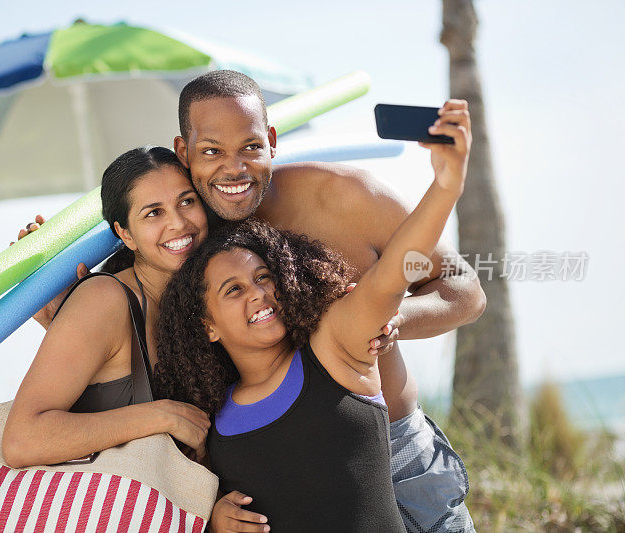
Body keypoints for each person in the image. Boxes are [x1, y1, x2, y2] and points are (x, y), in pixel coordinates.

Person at [16, 70, 482, 531]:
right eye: (211, 151)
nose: (233, 169)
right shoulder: (185, 240)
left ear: (272, 141)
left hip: (393, 448)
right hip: (270, 475)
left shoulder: (339, 197)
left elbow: (464, 288)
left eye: (251, 148)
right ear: (185, 152)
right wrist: (63, 308)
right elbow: (145, 367)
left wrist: (391, 317)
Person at [154, 122, 472, 528]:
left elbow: (394, 273)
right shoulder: (213, 420)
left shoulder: (336, 348)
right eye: (233, 291)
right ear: (207, 326)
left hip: (411, 462)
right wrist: (214, 518)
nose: (257, 293)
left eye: (265, 277)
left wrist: (445, 186)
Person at [2, 146, 212, 468]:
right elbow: (21, 440)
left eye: (186, 201)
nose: (178, 223)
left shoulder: (201, 294)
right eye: (154, 212)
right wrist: (161, 416)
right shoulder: (106, 300)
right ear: (125, 234)